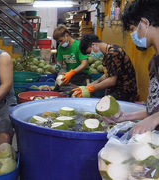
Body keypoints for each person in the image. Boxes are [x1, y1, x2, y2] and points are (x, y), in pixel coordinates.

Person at [102, 0, 159, 135]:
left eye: (133, 29)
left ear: (144, 23)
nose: (134, 36)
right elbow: (154, 109)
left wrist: (155, 119)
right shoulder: (154, 62)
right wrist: (126, 117)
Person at [72, 34, 138, 102]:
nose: (91, 55)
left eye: (89, 52)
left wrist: (93, 88)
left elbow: (112, 81)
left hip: (124, 93)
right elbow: (108, 74)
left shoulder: (114, 54)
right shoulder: (108, 51)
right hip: (115, 91)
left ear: (94, 45)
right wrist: (95, 83)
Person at [53, 25, 91, 90]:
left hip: (82, 74)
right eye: (58, 42)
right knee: (56, 91)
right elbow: (59, 62)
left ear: (66, 35)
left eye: (61, 40)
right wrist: (58, 66)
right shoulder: (60, 47)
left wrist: (72, 72)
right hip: (68, 75)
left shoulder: (78, 45)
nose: (60, 43)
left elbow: (84, 64)